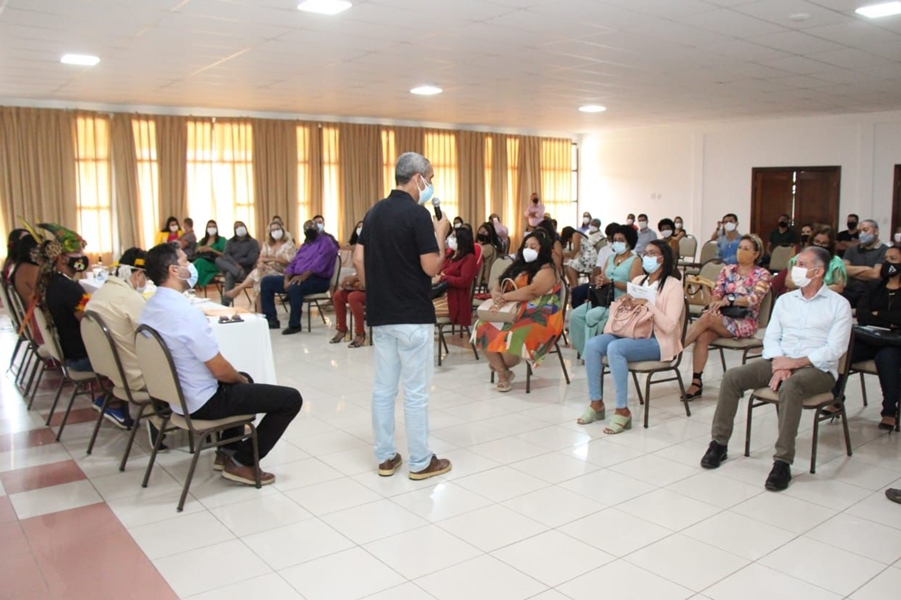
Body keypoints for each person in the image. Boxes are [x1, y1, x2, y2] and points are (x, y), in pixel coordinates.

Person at [139, 243, 302, 485]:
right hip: (201, 401)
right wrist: (239, 380)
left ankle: (227, 451)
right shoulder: (185, 313)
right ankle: (243, 461)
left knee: (243, 378)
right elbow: (220, 370)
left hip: (175, 397)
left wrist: (239, 378)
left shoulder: (150, 308)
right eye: (185, 262)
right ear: (174, 270)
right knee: (290, 399)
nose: (190, 267)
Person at [699, 246, 852, 491]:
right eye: (796, 264)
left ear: (818, 271)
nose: (795, 269)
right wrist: (780, 362)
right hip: (779, 361)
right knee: (733, 377)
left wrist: (795, 363)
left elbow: (835, 349)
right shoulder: (786, 300)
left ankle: (782, 462)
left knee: (791, 387)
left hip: (817, 369)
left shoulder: (838, 305)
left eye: (802, 264)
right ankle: (719, 443)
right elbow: (771, 337)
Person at [353, 151, 453, 480]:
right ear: (417, 178)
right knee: (415, 391)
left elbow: (357, 259)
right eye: (431, 178)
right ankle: (421, 461)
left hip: (382, 314)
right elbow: (432, 267)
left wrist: (377, 293)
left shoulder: (374, 212)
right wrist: (441, 232)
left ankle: (385, 457)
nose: (431, 185)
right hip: (412, 314)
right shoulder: (417, 215)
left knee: (383, 389)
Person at [578, 240, 684, 433]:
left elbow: (669, 326)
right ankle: (596, 402)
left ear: (663, 257)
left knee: (615, 349)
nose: (647, 257)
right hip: (631, 332)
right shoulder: (638, 281)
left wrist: (648, 304)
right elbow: (629, 312)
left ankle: (622, 409)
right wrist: (626, 301)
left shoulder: (673, 285)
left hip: (658, 341)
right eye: (646, 253)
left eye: (653, 253)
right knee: (593, 345)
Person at [36, 223, 132, 428]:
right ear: (61, 258)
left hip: (70, 352)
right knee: (130, 352)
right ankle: (115, 404)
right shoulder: (67, 288)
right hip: (81, 358)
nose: (82, 256)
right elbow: (92, 327)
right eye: (77, 252)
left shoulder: (53, 283)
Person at [471, 230, 564, 392]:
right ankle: (502, 373)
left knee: (512, 336)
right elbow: (497, 284)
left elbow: (533, 291)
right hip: (512, 311)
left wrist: (505, 297)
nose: (528, 249)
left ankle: (501, 366)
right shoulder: (518, 266)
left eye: (533, 247)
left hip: (540, 315)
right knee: (482, 326)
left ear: (543, 250)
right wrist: (496, 294)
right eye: (526, 246)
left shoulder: (548, 270)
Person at [682, 235, 772, 400]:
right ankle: (696, 382)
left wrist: (728, 300)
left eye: (746, 249)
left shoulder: (763, 274)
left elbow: (754, 299)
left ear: (755, 254)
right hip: (722, 317)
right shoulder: (727, 270)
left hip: (745, 320)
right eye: (740, 247)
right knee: (703, 335)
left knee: (706, 319)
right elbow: (717, 293)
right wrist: (716, 306)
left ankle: (675, 349)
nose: (741, 251)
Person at [88, 248, 161, 442]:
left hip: (112, 371)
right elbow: (154, 336)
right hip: (136, 375)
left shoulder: (102, 292)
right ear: (138, 274)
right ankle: (162, 421)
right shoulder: (129, 298)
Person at [570, 225, 642, 357]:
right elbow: (603, 276)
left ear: (629, 242)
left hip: (621, 302)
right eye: (615, 240)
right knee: (575, 315)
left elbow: (634, 286)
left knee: (592, 315)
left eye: (621, 240)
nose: (617, 243)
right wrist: (599, 281)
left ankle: (590, 356)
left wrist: (613, 283)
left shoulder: (635, 261)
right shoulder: (610, 258)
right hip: (603, 299)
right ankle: (585, 350)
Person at [851, 246, 901, 430]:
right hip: (871, 336)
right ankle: (836, 397)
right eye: (886, 259)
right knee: (845, 350)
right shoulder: (875, 286)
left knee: (887, 358)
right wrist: (889, 319)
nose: (888, 263)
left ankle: (889, 411)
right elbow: (863, 315)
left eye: (893, 259)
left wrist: (878, 313)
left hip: (894, 341)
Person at [260, 220, 338, 335]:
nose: (309, 231)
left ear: (317, 229)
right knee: (266, 282)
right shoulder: (305, 245)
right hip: (297, 277)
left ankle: (295, 324)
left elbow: (319, 264)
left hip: (318, 280)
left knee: (295, 286)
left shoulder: (326, 242)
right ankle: (272, 320)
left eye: (311, 228)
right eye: (306, 229)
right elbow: (293, 263)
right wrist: (286, 279)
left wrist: (303, 276)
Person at [223, 221, 297, 311]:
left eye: (277, 229)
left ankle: (239, 289)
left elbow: (287, 261)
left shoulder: (288, 244)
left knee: (258, 275)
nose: (275, 231)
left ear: (282, 230)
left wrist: (270, 259)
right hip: (267, 270)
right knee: (259, 278)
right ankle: (260, 311)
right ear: (270, 232)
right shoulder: (267, 244)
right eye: (273, 230)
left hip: (283, 272)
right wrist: (261, 263)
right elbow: (261, 258)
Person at [434, 225, 479, 327]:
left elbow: (464, 281)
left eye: (454, 237)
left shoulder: (469, 258)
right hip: (442, 295)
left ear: (462, 240)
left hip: (455, 300)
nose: (450, 239)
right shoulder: (451, 255)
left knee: (424, 309)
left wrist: (443, 277)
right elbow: (438, 271)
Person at [785, 225, 846, 294]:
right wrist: (808, 287)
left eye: (824, 243)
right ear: (811, 241)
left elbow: (839, 287)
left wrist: (815, 289)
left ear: (830, 244)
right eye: (817, 241)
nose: (820, 245)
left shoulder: (836, 262)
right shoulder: (799, 258)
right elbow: (788, 282)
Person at [843, 219, 888, 307]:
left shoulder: (885, 250)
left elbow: (875, 275)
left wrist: (851, 272)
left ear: (876, 231)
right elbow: (843, 269)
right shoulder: (851, 250)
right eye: (859, 231)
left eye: (865, 230)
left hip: (871, 294)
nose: (862, 234)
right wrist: (866, 269)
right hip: (849, 292)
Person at [217, 221, 261, 306]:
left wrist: (237, 262)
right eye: (236, 227)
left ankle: (224, 304)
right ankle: (237, 271)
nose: (239, 228)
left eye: (241, 226)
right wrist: (235, 264)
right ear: (234, 230)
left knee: (229, 274)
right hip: (236, 269)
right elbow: (226, 255)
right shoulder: (230, 242)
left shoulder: (253, 242)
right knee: (218, 259)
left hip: (246, 271)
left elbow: (251, 259)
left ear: (245, 227)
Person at [330, 270, 366, 348]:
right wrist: (348, 282)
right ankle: (342, 329)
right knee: (338, 295)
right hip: (362, 285)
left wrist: (356, 278)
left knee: (353, 297)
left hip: (377, 290)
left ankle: (360, 333)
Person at [193, 220, 226, 289]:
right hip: (203, 260)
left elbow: (225, 255)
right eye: (209, 227)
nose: (211, 228)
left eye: (213, 226)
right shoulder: (203, 240)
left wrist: (211, 250)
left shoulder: (221, 240)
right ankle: (193, 283)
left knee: (199, 262)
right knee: (195, 263)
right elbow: (196, 251)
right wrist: (200, 249)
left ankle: (193, 284)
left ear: (216, 228)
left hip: (215, 263)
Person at [476, 221, 504, 286]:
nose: (481, 234)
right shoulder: (478, 246)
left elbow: (476, 256)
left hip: (482, 279)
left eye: (484, 232)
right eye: (480, 231)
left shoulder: (489, 247)